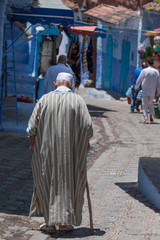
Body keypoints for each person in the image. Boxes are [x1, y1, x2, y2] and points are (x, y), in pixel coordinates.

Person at [27, 72, 93, 233]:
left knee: (46, 182)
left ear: (55, 84)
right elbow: (88, 128)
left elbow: (31, 129)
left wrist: (32, 145)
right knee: (68, 184)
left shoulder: (44, 100)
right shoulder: (78, 101)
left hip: (45, 154)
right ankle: (65, 222)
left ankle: (49, 223)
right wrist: (85, 142)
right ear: (71, 86)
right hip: (70, 155)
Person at [135, 58, 160, 124]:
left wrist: (136, 87)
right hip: (152, 91)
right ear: (153, 64)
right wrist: (158, 92)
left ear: (148, 63)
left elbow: (139, 80)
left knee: (144, 105)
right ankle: (151, 115)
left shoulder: (144, 71)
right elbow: (158, 83)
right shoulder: (156, 72)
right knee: (151, 103)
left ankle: (146, 119)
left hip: (145, 90)